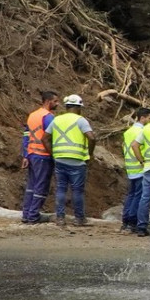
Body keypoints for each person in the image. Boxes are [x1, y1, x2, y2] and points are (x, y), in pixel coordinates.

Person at [48, 94, 94, 228]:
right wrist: (89, 155)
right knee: (77, 191)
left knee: (61, 189)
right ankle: (79, 219)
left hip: (60, 159)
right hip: (77, 160)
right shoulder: (81, 120)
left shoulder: (56, 120)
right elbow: (91, 138)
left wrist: (53, 154)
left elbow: (45, 137)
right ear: (78, 107)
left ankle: (60, 218)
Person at [20, 90, 59, 224]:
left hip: (32, 154)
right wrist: (54, 154)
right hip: (43, 155)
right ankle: (33, 215)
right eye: (55, 101)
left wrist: (25, 155)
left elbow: (26, 135)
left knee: (31, 186)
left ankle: (26, 214)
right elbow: (50, 137)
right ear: (48, 102)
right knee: (41, 186)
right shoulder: (48, 117)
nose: (57, 104)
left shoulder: (32, 115)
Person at [120, 108, 148, 235]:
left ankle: (125, 222)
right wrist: (143, 161)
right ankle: (132, 222)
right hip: (140, 167)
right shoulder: (142, 131)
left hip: (130, 166)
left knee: (131, 195)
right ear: (142, 118)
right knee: (138, 196)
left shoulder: (129, 131)